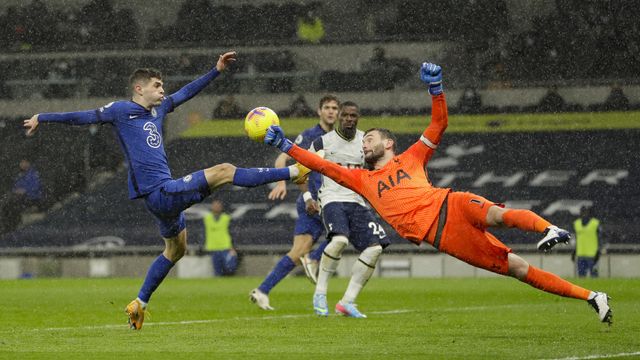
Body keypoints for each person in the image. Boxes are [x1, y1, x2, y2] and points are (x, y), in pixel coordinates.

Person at [264, 62, 613, 325]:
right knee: (517, 268)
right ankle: (592, 296)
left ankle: (548, 229)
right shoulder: (361, 180)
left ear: (388, 143)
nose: (363, 144)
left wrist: (437, 89)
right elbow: (323, 166)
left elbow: (439, 124)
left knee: (498, 214)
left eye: (369, 139)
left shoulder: (412, 156)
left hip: (451, 202)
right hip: (445, 236)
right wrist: (284, 144)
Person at [22, 51, 310, 330]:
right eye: (156, 85)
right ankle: (294, 171)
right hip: (159, 191)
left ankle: (139, 303)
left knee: (176, 250)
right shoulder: (121, 111)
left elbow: (186, 93)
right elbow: (83, 117)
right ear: (139, 88)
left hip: (162, 197)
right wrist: (43, 117)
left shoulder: (157, 110)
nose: (162, 90)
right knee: (224, 171)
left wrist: (216, 71)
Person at [249, 95, 339, 310]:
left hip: (329, 199)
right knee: (347, 231)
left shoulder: (339, 138)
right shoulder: (309, 136)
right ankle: (315, 260)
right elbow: (283, 158)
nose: (331, 111)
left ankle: (262, 290)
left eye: (335, 108)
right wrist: (282, 182)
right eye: (327, 107)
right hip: (313, 201)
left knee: (298, 252)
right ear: (319, 111)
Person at [309, 101, 390, 318]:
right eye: (345, 115)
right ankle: (320, 293)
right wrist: (309, 195)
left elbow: (379, 167)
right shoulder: (322, 142)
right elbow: (305, 168)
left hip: (357, 201)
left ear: (358, 118)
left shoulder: (366, 142)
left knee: (375, 248)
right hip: (332, 198)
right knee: (340, 240)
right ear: (339, 117)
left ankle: (347, 302)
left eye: (353, 116)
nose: (348, 119)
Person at [0, 159, 43, 233]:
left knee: (13, 204)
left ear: (28, 163)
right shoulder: (20, 175)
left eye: (23, 162)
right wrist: (16, 191)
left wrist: (25, 190)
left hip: (32, 197)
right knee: (7, 201)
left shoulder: (34, 173)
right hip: (19, 197)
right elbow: (15, 187)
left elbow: (36, 186)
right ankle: (6, 225)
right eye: (21, 163)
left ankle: (12, 226)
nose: (22, 164)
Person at [203, 199, 238, 276]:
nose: (216, 207)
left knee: (230, 267)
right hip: (213, 248)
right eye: (215, 205)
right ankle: (220, 285)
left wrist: (233, 247)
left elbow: (232, 233)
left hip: (225, 247)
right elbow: (203, 233)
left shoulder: (226, 218)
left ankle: (229, 281)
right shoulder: (207, 218)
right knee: (217, 271)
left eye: (218, 205)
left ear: (221, 207)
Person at [572, 206, 602, 278]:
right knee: (581, 278)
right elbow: (577, 239)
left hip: (592, 255)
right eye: (582, 212)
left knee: (594, 277)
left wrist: (598, 251)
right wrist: (574, 252)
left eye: (586, 212)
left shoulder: (595, 223)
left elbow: (600, 238)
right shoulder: (576, 223)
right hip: (580, 254)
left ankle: (594, 289)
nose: (584, 214)